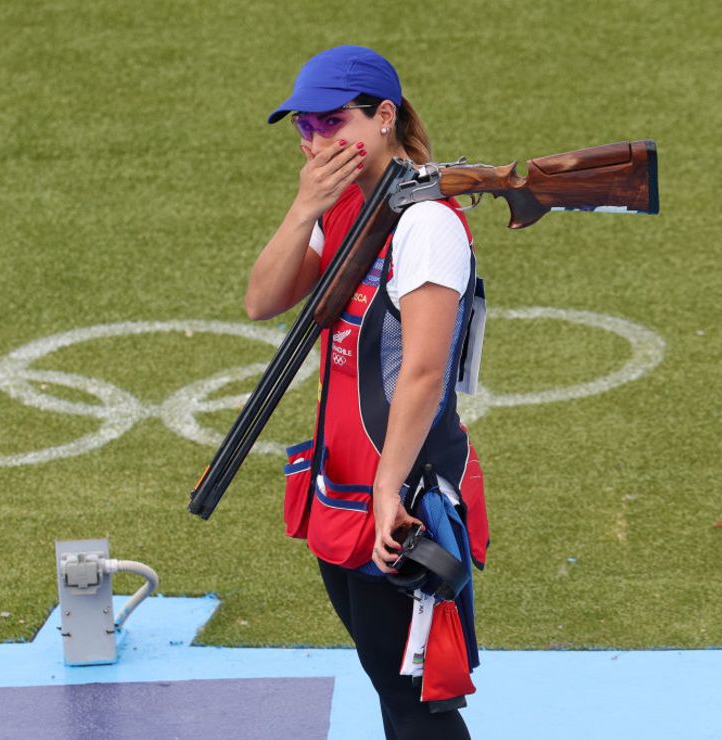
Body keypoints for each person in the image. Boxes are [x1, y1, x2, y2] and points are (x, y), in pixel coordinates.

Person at [246, 45, 489, 739]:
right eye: (302, 126)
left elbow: (423, 371)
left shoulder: (428, 224)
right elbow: (263, 300)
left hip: (401, 490)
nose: (314, 139)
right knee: (387, 678)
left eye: (330, 121)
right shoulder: (345, 205)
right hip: (343, 484)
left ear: (385, 117)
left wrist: (388, 491)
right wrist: (303, 208)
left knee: (418, 700)